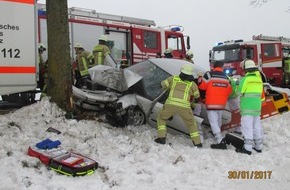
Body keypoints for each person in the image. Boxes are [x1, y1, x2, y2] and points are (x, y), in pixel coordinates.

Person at [155, 63, 202, 147]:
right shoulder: (193, 84)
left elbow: (162, 85)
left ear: (181, 71)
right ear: (190, 74)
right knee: (191, 124)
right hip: (185, 107)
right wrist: (193, 104)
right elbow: (197, 98)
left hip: (170, 105)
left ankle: (161, 138)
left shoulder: (173, 78)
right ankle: (197, 143)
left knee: (161, 118)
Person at [198, 61, 232, 149]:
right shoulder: (226, 77)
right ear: (222, 67)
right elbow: (229, 91)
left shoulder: (209, 75)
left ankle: (220, 140)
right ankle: (217, 133)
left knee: (213, 122)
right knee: (218, 121)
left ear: (213, 66)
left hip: (211, 103)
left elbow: (202, 87)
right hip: (221, 104)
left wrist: (200, 78)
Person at [235, 59, 264, 155]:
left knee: (247, 128)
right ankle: (258, 147)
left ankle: (247, 149)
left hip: (247, 107)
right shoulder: (259, 79)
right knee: (256, 127)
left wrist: (236, 85)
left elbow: (238, 92)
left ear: (246, 69)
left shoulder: (245, 79)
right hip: (256, 107)